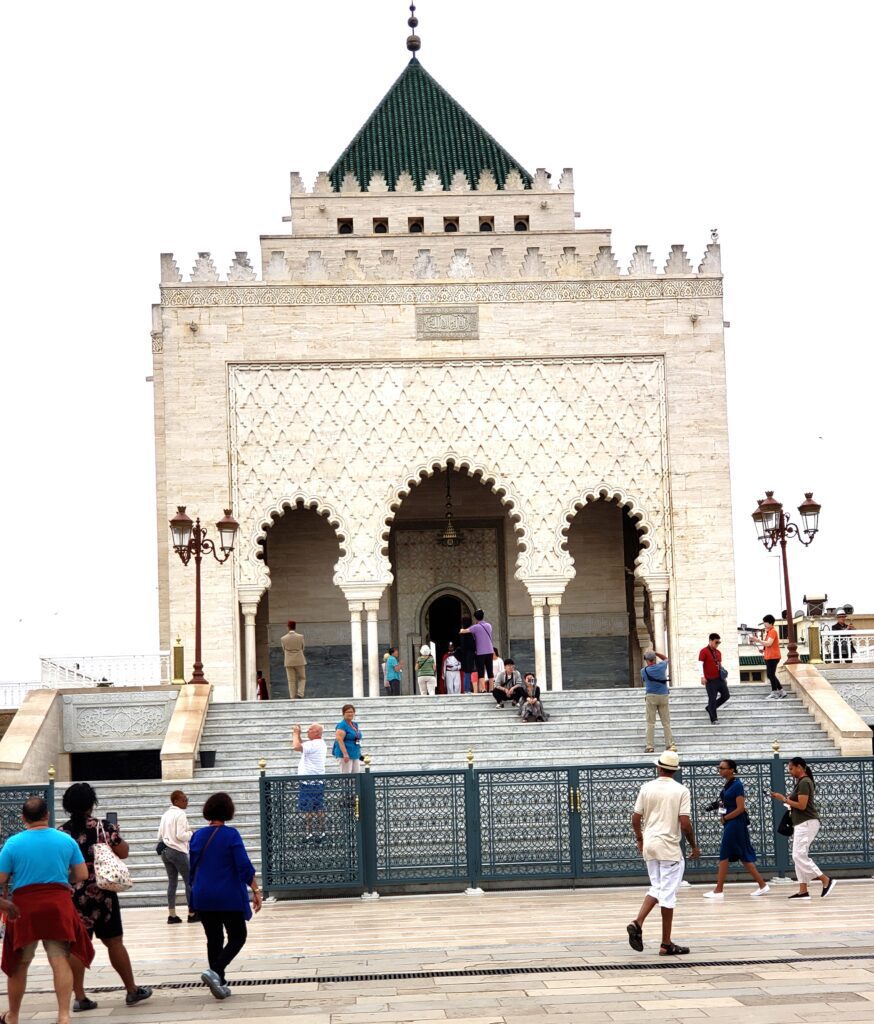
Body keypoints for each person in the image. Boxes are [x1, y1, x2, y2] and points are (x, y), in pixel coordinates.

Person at [59, 783, 152, 1012]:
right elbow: (124, 853)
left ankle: (80, 997)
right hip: (103, 892)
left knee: (78, 946)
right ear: (92, 803)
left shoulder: (61, 833)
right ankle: (131, 990)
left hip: (74, 894)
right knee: (114, 942)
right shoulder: (104, 827)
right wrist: (115, 836)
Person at [0, 797, 92, 1024]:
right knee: (59, 958)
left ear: (23, 819)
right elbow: (81, 875)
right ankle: (63, 1015)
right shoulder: (65, 840)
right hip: (57, 905)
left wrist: (5, 904)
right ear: (47, 815)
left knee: (19, 963)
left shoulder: (12, 844)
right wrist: (64, 880)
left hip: (23, 908)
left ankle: (13, 1016)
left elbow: (0, 879)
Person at [190, 792, 262, 999]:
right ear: (228, 811)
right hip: (227, 895)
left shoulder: (197, 835)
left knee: (214, 939)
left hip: (203, 894)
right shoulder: (231, 835)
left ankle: (218, 982)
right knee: (238, 936)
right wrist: (256, 890)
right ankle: (215, 971)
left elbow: (191, 867)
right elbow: (243, 866)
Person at [628, 750, 699, 956]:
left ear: (658, 767)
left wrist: (640, 839)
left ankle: (639, 923)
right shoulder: (681, 790)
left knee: (657, 887)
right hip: (668, 847)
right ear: (674, 771)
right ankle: (664, 942)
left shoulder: (646, 787)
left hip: (650, 844)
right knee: (667, 895)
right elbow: (685, 823)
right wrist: (693, 845)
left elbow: (635, 818)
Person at [769, 756, 836, 899]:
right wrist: (784, 799)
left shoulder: (805, 782)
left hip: (807, 822)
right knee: (799, 855)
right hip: (801, 822)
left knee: (798, 855)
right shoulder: (801, 782)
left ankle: (825, 879)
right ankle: (803, 890)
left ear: (799, 767)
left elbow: (802, 805)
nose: (790, 772)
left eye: (791, 768)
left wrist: (784, 799)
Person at [702, 759, 769, 899]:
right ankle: (762, 885)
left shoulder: (737, 785)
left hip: (735, 823)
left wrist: (725, 818)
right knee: (742, 854)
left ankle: (719, 890)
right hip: (731, 822)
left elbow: (740, 809)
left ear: (732, 769)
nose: (719, 770)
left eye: (722, 768)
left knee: (724, 853)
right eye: (719, 768)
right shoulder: (729, 784)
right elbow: (726, 802)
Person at [157, 790, 196, 924]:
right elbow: (180, 835)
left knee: (172, 883)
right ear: (176, 802)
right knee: (189, 881)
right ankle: (192, 913)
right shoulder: (180, 814)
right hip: (177, 851)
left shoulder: (165, 814)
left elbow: (159, 836)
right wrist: (191, 833)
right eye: (184, 799)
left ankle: (172, 915)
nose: (186, 801)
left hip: (165, 851)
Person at [293, 722, 327, 840]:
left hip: (309, 783)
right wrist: (299, 736)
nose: (308, 731)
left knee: (309, 809)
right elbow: (303, 745)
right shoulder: (319, 743)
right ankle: (322, 832)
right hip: (317, 782)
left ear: (316, 732)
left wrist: (295, 733)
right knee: (318, 807)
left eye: (310, 730)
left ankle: (309, 833)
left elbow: (296, 746)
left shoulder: (314, 744)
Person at [641, 650, 673, 753]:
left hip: (651, 697)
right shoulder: (661, 666)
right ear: (654, 659)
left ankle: (650, 746)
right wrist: (656, 653)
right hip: (663, 695)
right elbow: (666, 658)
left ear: (646, 660)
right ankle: (669, 745)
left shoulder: (644, 671)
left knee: (650, 723)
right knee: (666, 723)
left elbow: (644, 680)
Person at [698, 633, 730, 724]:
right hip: (710, 680)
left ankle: (710, 708)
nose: (717, 644)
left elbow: (719, 665)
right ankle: (714, 719)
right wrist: (702, 676)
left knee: (726, 695)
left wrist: (723, 677)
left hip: (719, 679)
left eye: (719, 642)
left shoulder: (718, 652)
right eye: (716, 642)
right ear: (711, 641)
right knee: (712, 698)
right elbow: (700, 664)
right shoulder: (704, 651)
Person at [751, 614, 785, 697]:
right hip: (770, 656)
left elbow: (769, 643)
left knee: (770, 674)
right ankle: (781, 691)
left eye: (765, 623)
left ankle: (775, 692)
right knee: (770, 674)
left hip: (773, 657)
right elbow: (769, 645)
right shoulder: (769, 632)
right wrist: (763, 650)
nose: (764, 625)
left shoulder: (773, 631)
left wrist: (758, 640)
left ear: (770, 623)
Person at [461, 609, 494, 693]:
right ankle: (491, 688)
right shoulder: (489, 625)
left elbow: (464, 631)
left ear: (475, 618)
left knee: (481, 670)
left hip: (480, 652)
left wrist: (461, 630)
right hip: (490, 651)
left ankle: (483, 689)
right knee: (490, 670)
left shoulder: (475, 627)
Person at [280, 619, 307, 699]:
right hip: (300, 660)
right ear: (295, 627)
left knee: (291, 680)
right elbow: (303, 647)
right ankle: (300, 693)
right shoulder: (300, 637)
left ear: (288, 627)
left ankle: (292, 697)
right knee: (302, 678)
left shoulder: (283, 638)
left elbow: (283, 649)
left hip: (288, 661)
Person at [333, 704, 363, 773]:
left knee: (356, 775)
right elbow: (339, 739)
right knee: (347, 776)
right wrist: (345, 754)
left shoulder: (355, 724)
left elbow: (357, 738)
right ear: (343, 713)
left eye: (352, 712)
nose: (350, 714)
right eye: (348, 712)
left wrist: (359, 753)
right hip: (345, 755)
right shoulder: (342, 725)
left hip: (355, 753)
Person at [456, 616, 477, 694]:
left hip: (464, 654)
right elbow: (472, 645)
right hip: (470, 654)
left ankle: (467, 689)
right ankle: (468, 689)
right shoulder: (470, 633)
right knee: (469, 672)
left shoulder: (461, 633)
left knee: (466, 673)